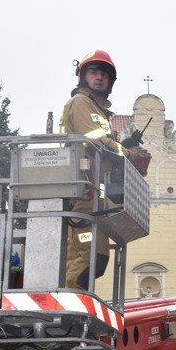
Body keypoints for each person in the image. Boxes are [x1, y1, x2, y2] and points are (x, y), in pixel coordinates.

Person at [60, 49, 151, 291]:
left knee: (95, 257)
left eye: (104, 74)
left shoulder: (98, 111)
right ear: (83, 77)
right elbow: (96, 142)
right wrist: (128, 153)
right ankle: (65, 307)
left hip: (91, 197)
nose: (99, 77)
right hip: (79, 195)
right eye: (93, 72)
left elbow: (105, 146)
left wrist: (125, 146)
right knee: (87, 256)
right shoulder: (80, 103)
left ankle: (73, 304)